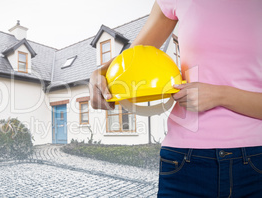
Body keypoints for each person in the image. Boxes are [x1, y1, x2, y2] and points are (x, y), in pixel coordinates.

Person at [89, 0, 262, 197]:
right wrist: (99, 74)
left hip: (256, 163)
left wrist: (221, 95)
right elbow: (133, 58)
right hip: (185, 161)